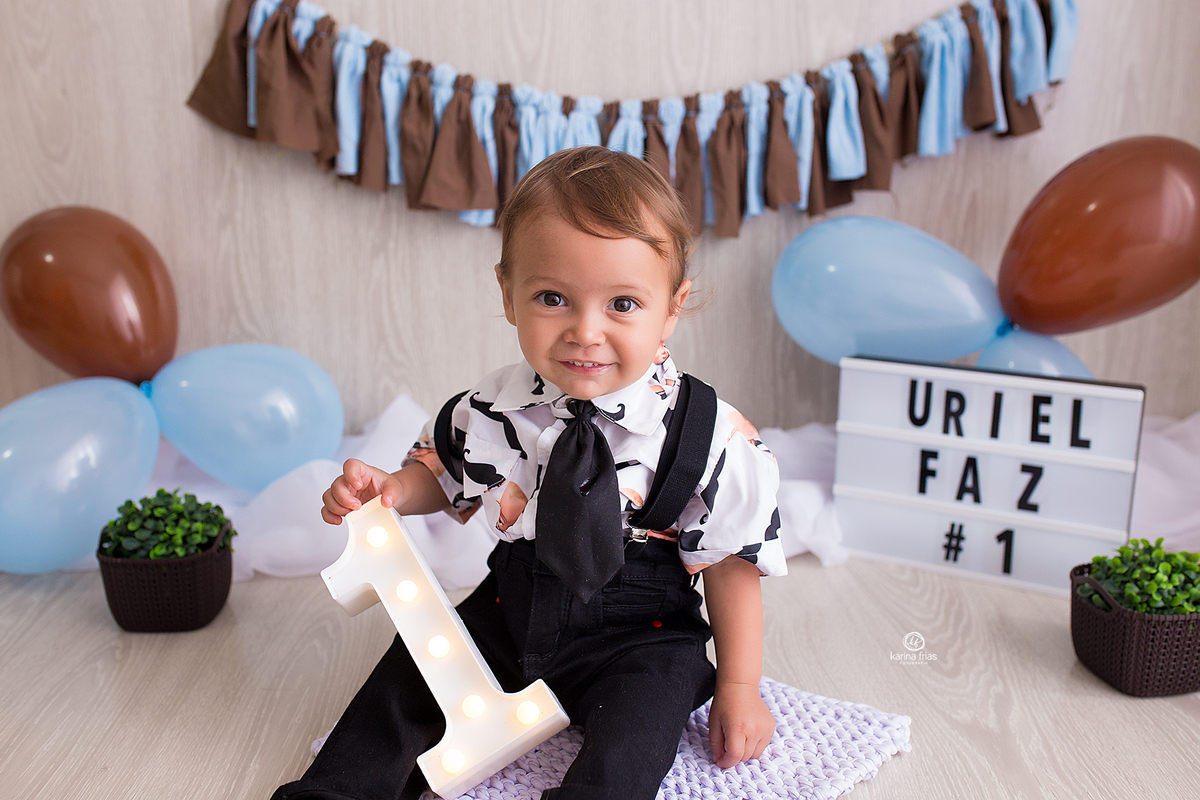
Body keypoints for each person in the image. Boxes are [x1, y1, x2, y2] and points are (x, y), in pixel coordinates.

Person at [273, 146, 786, 800]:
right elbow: (448, 472)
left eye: (623, 304)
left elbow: (730, 563)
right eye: (553, 298)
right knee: (405, 683)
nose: (585, 331)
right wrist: (394, 490)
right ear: (508, 295)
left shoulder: (709, 434)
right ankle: (336, 794)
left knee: (632, 746)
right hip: (510, 613)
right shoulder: (489, 407)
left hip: (644, 637)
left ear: (672, 305)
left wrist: (739, 690)